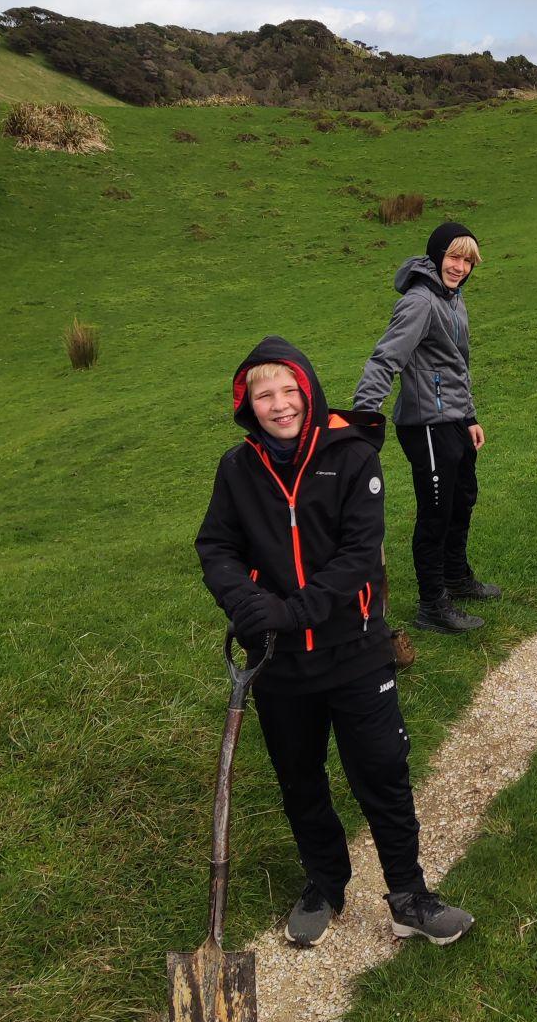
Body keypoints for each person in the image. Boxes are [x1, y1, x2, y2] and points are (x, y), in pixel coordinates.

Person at [195, 335, 474, 949]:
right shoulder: (237, 469)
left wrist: (291, 611)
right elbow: (216, 546)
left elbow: (358, 557)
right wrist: (248, 607)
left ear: (309, 391)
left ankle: (409, 895)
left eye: (288, 390)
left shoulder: (351, 456)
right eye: (263, 395)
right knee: (300, 778)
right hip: (278, 661)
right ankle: (325, 882)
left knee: (382, 770)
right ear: (247, 404)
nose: (279, 405)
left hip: (354, 649)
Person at [354, 221, 501, 635]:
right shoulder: (419, 302)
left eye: (468, 261)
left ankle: (456, 576)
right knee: (436, 513)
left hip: (453, 420)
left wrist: (469, 416)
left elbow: (457, 366)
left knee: (462, 500)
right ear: (437, 255)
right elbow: (385, 359)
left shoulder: (453, 299)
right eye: (454, 257)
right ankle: (432, 605)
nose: (460, 267)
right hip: (426, 425)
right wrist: (364, 417)